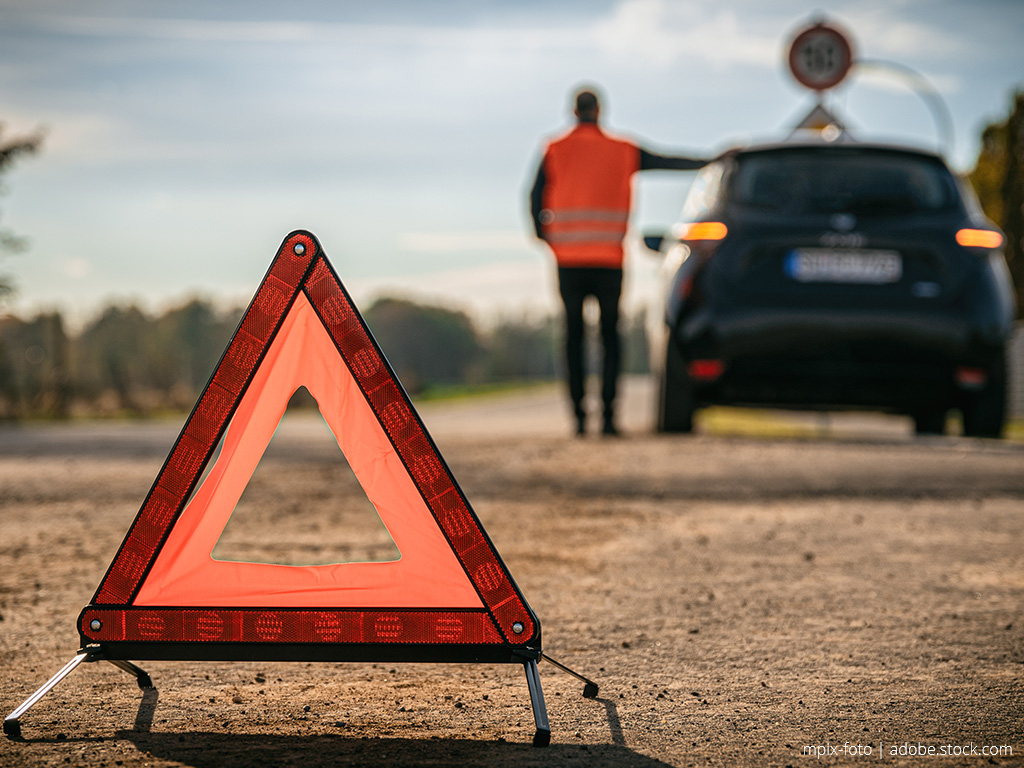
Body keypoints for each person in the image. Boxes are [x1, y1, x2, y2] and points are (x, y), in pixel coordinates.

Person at [529, 86, 706, 436]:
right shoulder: (622, 150)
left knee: (574, 337)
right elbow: (668, 161)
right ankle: (609, 418)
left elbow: (533, 198)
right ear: (600, 111)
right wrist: (713, 159)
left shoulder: (554, 149)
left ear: (573, 111)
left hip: (568, 260)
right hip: (609, 259)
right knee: (610, 337)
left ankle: (579, 418)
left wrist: (545, 236)